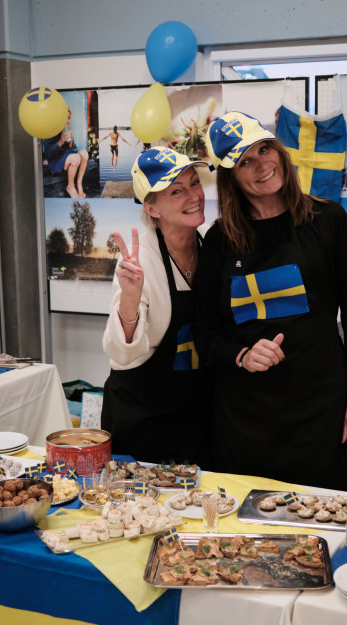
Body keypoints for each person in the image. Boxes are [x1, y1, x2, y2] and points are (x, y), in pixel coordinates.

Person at [194, 112, 347, 491]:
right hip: (242, 422)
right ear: (230, 176)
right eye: (245, 161)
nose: (261, 164)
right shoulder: (219, 241)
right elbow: (205, 333)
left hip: (318, 415)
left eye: (265, 149)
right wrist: (242, 355)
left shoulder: (328, 220)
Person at [101, 147, 213, 466]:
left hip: (197, 417)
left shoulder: (211, 247)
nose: (193, 196)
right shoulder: (141, 260)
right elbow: (121, 353)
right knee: (140, 500)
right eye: (176, 191)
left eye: (194, 183)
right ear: (152, 208)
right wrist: (130, 299)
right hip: (142, 420)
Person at [42, 108, 89, 198]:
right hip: (57, 159)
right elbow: (48, 153)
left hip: (67, 156)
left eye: (68, 118)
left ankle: (79, 183)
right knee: (75, 158)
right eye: (64, 118)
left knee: (84, 153)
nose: (67, 121)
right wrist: (60, 142)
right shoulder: (51, 130)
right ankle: (70, 187)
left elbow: (71, 148)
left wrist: (70, 142)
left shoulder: (67, 128)